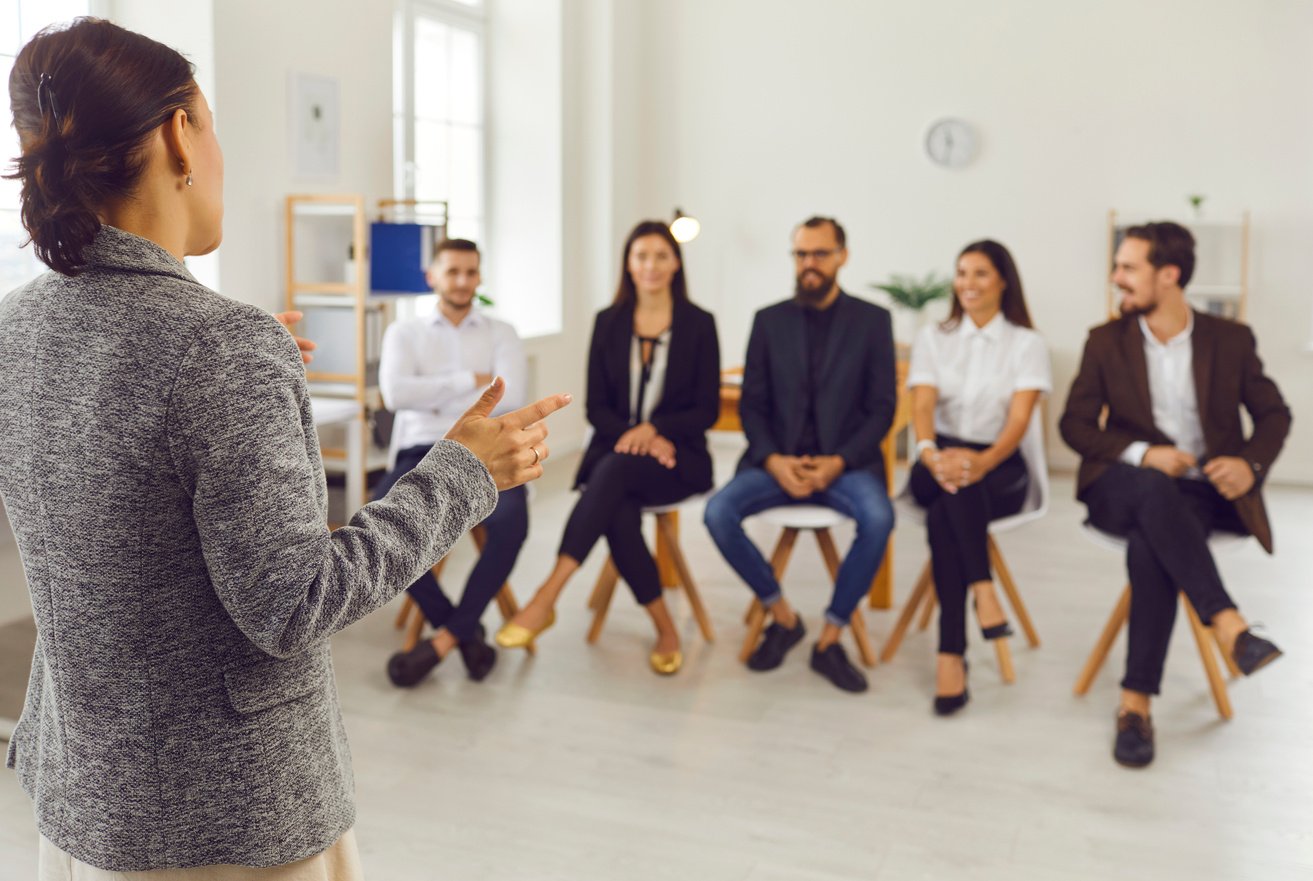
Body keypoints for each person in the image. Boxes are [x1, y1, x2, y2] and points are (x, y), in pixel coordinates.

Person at [0, 19, 569, 877]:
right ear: (177, 136)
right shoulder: (216, 347)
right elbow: (293, 603)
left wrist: (244, 371)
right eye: (213, 121)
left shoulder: (20, 325)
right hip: (225, 825)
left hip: (84, 800)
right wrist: (461, 473)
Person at [1059, 220, 1289, 768]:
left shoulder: (1230, 339)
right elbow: (1074, 426)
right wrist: (1143, 453)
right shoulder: (1104, 341)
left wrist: (1249, 464)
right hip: (1122, 483)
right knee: (1150, 488)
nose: (1116, 279)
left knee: (1151, 545)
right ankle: (1229, 623)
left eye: (1128, 268)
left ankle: (1134, 705)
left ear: (1169, 275)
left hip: (1201, 493)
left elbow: (1274, 414)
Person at [495, 220, 720, 675]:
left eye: (660, 255)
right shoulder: (608, 322)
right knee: (616, 505)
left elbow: (706, 409)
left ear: (676, 263)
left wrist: (655, 431)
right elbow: (597, 406)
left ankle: (548, 595)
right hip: (619, 457)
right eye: (641, 256)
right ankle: (665, 629)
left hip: (677, 459)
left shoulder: (699, 324)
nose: (651, 265)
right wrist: (635, 436)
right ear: (628, 264)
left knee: (612, 476)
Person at [703, 216, 896, 693]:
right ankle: (783, 617)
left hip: (845, 466)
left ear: (842, 257)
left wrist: (838, 462)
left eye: (820, 254)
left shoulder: (874, 321)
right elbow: (752, 404)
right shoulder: (768, 321)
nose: (809, 264)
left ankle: (831, 638)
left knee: (880, 519)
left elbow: (882, 409)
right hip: (776, 463)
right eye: (801, 254)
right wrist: (773, 460)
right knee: (717, 512)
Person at [905, 240, 1050, 715]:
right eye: (961, 273)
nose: (967, 283)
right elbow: (922, 405)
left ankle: (952, 656)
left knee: (951, 508)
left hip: (1000, 464)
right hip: (937, 458)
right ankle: (982, 592)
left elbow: (1019, 421)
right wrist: (930, 453)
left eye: (980, 273)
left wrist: (982, 462)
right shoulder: (934, 337)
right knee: (951, 489)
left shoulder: (1026, 344)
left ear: (1003, 281)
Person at [379, 238, 530, 687]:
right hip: (419, 449)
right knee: (381, 519)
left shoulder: (501, 332)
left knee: (512, 522)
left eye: (470, 272)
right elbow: (395, 395)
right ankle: (462, 631)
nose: (462, 281)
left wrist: (432, 390)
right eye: (453, 272)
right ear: (433, 277)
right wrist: (471, 382)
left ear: (479, 276)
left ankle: (443, 640)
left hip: (485, 451)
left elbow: (513, 397)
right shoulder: (404, 333)